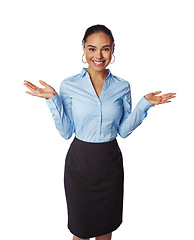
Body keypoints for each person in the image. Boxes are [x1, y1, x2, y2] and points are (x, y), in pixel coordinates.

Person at [23, 24, 176, 240]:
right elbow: (66, 132)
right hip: (80, 164)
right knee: (81, 230)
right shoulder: (69, 85)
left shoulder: (122, 86)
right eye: (92, 48)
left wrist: (144, 105)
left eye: (105, 48)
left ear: (113, 49)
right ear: (83, 48)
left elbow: (123, 130)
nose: (98, 55)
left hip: (109, 163)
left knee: (105, 230)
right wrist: (53, 100)